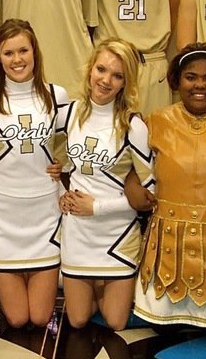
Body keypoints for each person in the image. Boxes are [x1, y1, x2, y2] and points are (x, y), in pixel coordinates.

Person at [131, 43, 206, 333]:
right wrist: (133, 188)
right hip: (169, 250)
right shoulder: (155, 122)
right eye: (191, 77)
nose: (200, 85)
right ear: (177, 81)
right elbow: (130, 165)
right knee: (163, 330)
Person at [0, 19, 68, 329]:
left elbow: (66, 148)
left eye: (23, 51)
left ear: (35, 52)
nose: (17, 60)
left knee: (39, 317)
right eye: (8, 53)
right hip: (2, 212)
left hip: (44, 210)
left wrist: (62, 164)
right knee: (16, 318)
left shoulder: (57, 95)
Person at [58, 38, 148, 330]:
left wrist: (97, 207)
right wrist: (61, 193)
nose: (106, 80)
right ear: (90, 69)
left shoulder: (133, 126)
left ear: (126, 83)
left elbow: (150, 194)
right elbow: (54, 165)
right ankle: (96, 286)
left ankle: (105, 285)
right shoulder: (67, 115)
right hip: (78, 232)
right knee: (78, 319)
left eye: (117, 75)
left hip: (117, 233)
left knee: (115, 321)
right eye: (101, 70)